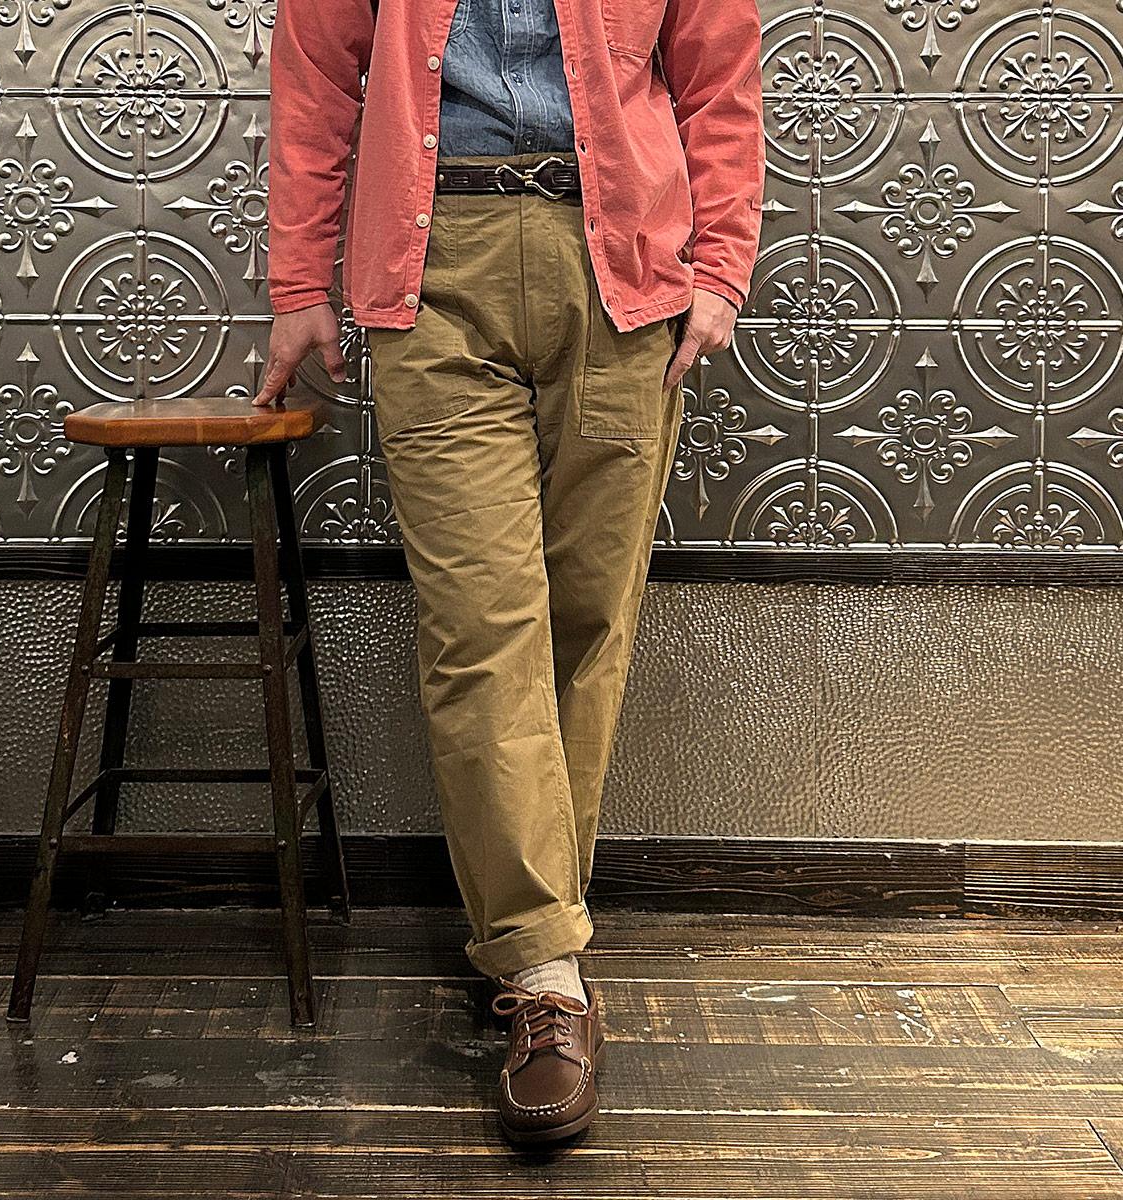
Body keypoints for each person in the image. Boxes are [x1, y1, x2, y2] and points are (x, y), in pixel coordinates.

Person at [257, 0, 765, 1146]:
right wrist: (298, 283)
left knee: (588, 621)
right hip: (432, 266)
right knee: (482, 626)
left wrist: (724, 267)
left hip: (623, 268)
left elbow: (718, 74)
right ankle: (544, 975)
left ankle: (539, 928)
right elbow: (318, 75)